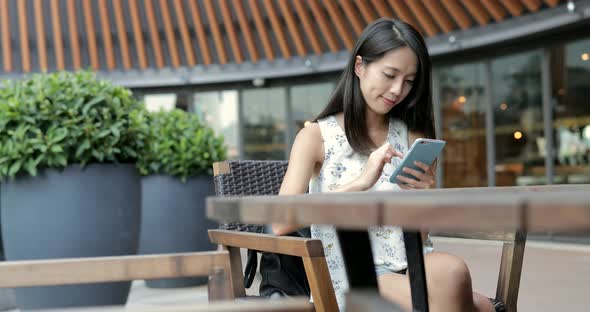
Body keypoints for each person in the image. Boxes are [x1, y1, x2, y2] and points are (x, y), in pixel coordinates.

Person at [273, 18, 497, 312]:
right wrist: (361, 183)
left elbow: (421, 237)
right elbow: (280, 222)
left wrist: (422, 196)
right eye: (389, 74)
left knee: (453, 271)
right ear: (359, 66)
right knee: (479, 306)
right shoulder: (316, 137)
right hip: (354, 273)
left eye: (409, 81)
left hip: (413, 263)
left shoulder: (412, 136)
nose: (396, 90)